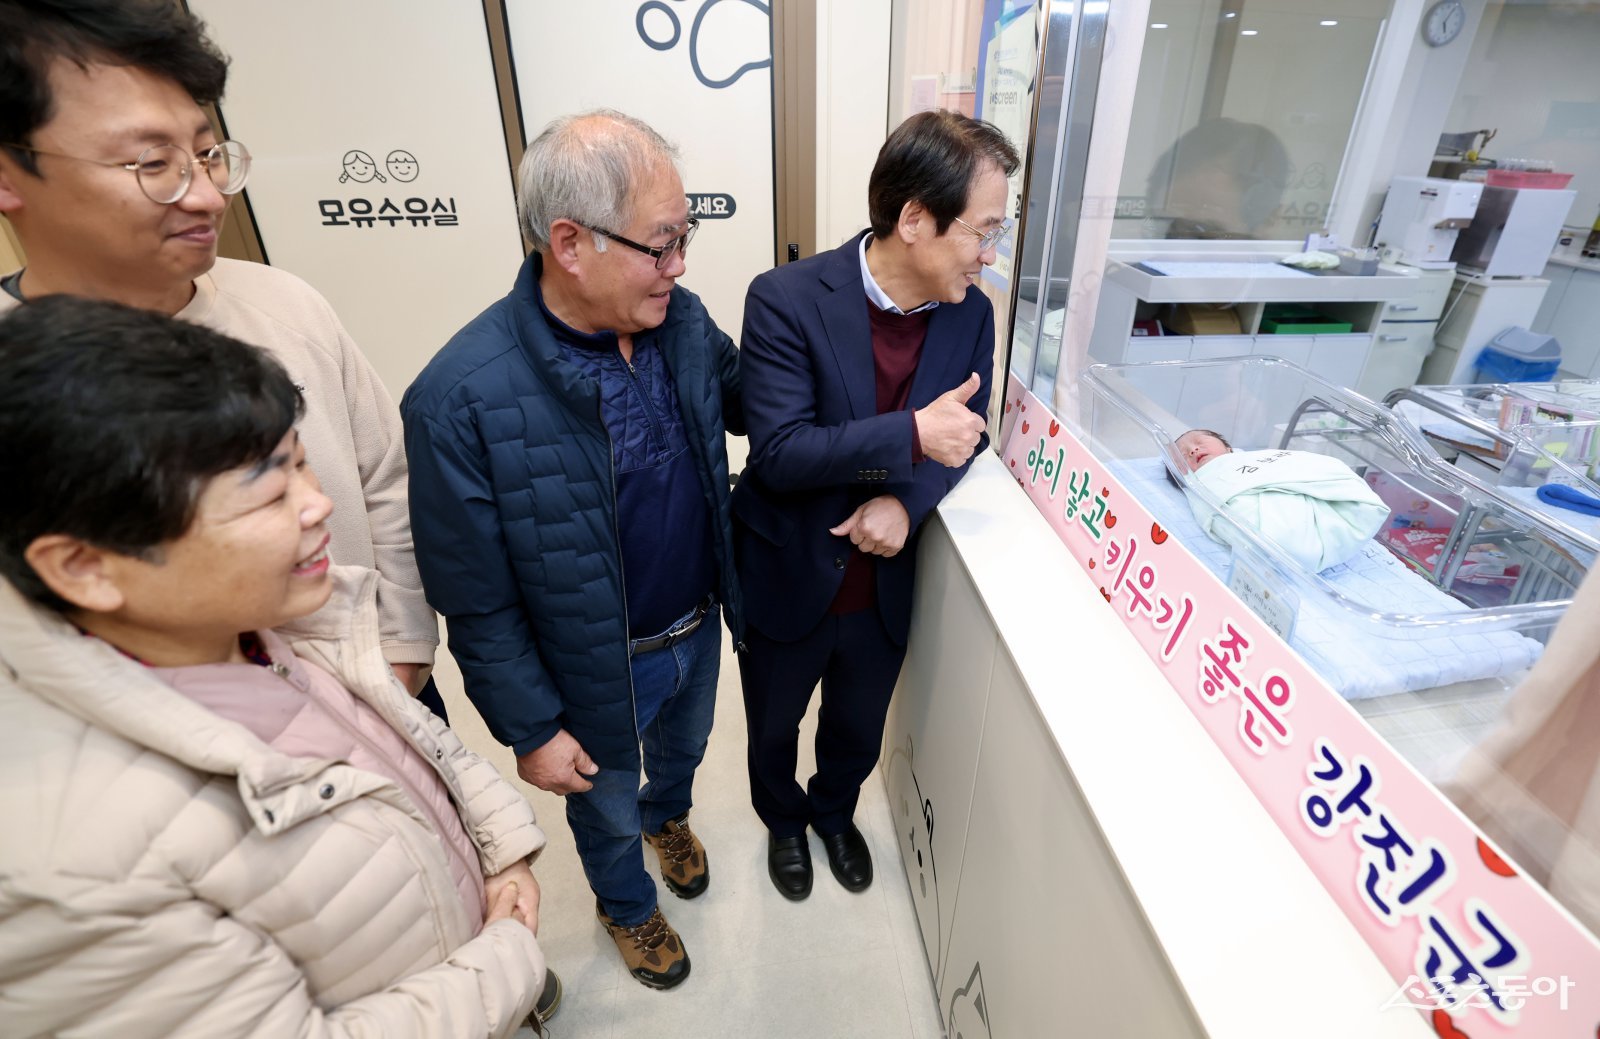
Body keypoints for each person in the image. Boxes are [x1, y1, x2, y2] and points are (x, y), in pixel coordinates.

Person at [0, 297, 548, 1038]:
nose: (319, 504)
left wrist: (500, 851)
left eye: (301, 463)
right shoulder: (74, 865)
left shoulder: (272, 623)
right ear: (84, 567)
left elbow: (412, 751)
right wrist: (507, 955)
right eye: (268, 492)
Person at [0, 0, 438, 699]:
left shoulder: (285, 302)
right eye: (153, 163)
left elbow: (387, 482)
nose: (206, 196)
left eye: (206, 155)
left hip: (380, 685)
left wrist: (401, 652)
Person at [402, 110, 742, 991]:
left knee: (683, 755)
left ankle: (671, 816)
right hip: (593, 668)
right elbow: (474, 597)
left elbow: (751, 397)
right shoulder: (459, 399)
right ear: (569, 243)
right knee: (605, 806)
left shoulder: (680, 322)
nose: (679, 266)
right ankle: (626, 905)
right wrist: (530, 727)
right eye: (661, 244)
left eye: (685, 238)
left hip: (695, 626)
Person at [734, 109, 1019, 901]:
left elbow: (965, 438)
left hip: (885, 576)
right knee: (773, 724)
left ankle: (833, 814)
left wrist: (906, 499)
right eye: (983, 230)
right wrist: (912, 433)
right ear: (915, 219)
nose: (990, 254)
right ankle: (783, 822)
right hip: (790, 563)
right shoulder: (786, 298)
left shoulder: (971, 315)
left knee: (857, 724)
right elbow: (781, 451)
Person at [1168, 428, 1390, 573]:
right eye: (1183, 455)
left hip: (1321, 493)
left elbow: (1301, 464)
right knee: (1277, 531)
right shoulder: (1205, 480)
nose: (1193, 449)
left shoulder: (1256, 457)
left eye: (1200, 441)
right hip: (1270, 523)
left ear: (1228, 448)